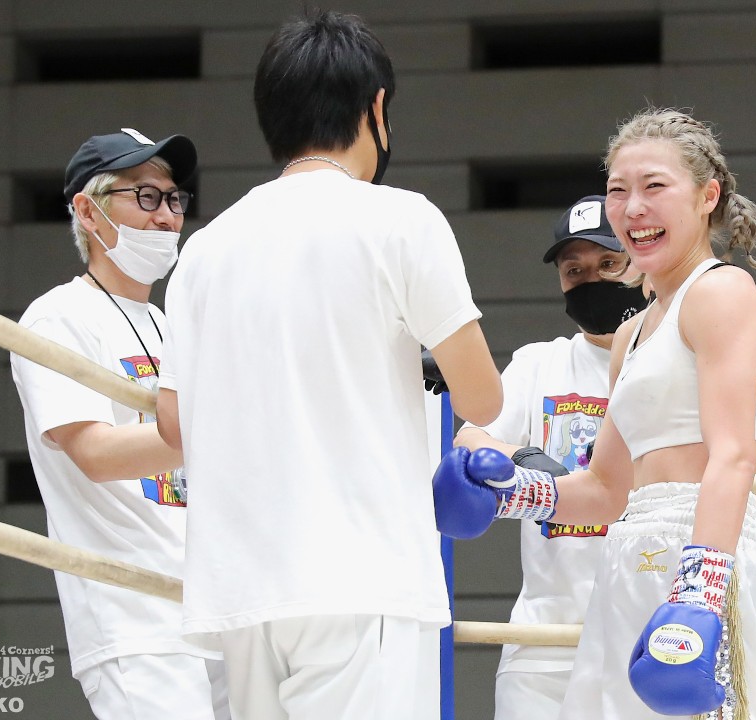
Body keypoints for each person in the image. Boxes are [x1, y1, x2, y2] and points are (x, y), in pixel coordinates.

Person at [154, 10, 502, 720]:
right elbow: (482, 399)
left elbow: (172, 424)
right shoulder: (403, 220)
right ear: (376, 107)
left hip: (242, 589)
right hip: (361, 575)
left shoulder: (203, 252)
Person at [433, 107, 756, 719]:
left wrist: (700, 593)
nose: (633, 208)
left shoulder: (721, 291)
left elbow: (734, 456)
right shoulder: (632, 334)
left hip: (703, 553)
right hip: (625, 558)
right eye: (618, 191)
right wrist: (509, 493)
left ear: (707, 196)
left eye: (654, 186)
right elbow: (605, 490)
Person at [10, 128, 229, 720]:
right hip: (134, 616)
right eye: (147, 196)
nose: (167, 216)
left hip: (212, 603)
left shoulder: (170, 323)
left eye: (174, 199)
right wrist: (217, 428)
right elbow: (97, 454)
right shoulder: (58, 317)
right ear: (88, 211)